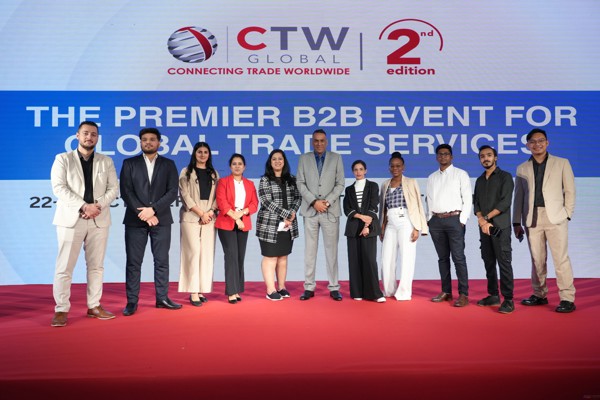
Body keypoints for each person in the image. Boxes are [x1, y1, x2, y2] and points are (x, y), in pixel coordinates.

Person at [50, 121, 119, 327]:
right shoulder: (63, 159)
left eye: (94, 134)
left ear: (97, 138)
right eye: (86, 133)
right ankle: (61, 309)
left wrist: (97, 206)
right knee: (64, 267)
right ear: (77, 136)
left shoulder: (106, 161)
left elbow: (113, 189)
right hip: (71, 220)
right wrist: (83, 206)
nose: (90, 137)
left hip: (99, 219)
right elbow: (59, 188)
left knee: (96, 266)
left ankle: (94, 306)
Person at [513, 128, 576, 313]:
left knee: (561, 259)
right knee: (537, 259)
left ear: (547, 142)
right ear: (527, 145)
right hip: (532, 218)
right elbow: (518, 197)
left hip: (556, 216)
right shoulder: (522, 168)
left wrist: (567, 213)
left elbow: (570, 190)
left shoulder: (562, 163)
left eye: (541, 140)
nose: (537, 144)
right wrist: (516, 222)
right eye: (533, 141)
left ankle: (567, 298)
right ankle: (539, 294)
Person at [120, 127, 181, 316]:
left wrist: (153, 210)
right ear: (140, 142)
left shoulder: (168, 164)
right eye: (144, 139)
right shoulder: (129, 163)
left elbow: (172, 191)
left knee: (161, 261)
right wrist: (144, 213)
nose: (148, 142)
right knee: (133, 263)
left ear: (159, 143)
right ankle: (132, 302)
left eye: (152, 139)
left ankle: (162, 298)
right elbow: (126, 191)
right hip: (135, 220)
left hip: (161, 220)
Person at [296, 129, 345, 301]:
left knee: (332, 251)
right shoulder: (304, 158)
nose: (319, 143)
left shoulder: (336, 158)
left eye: (322, 140)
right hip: (310, 211)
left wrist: (327, 202)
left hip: (330, 211)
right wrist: (314, 202)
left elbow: (340, 184)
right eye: (316, 140)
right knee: (310, 251)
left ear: (327, 142)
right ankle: (309, 287)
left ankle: (334, 287)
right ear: (312, 142)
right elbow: (300, 183)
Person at [426, 144, 472, 307]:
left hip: (454, 220)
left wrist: (462, 220)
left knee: (458, 258)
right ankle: (446, 291)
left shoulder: (461, 174)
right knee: (442, 258)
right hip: (436, 221)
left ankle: (463, 294)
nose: (443, 156)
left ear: (451, 157)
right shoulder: (432, 177)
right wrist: (429, 219)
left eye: (446, 154)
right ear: (436, 157)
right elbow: (429, 199)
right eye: (440, 154)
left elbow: (467, 198)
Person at [379, 152, 428, 301]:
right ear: (389, 167)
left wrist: (417, 228)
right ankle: (389, 290)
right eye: (392, 166)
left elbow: (418, 205)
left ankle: (404, 292)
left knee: (407, 258)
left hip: (406, 221)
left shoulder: (411, 182)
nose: (395, 168)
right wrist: (382, 226)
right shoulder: (385, 184)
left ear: (403, 167)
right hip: (390, 222)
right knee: (386, 258)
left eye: (398, 166)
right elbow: (383, 208)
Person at [473, 145, 515, 314]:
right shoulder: (479, 180)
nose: (486, 158)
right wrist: (482, 220)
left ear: (495, 157)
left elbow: (505, 202)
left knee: (504, 262)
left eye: (489, 155)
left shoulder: (505, 177)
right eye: (482, 156)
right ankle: (493, 295)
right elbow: (476, 203)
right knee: (488, 261)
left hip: (500, 227)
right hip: (484, 228)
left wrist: (486, 219)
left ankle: (508, 300)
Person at [256, 150, 302, 301]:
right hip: (269, 224)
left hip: (288, 225)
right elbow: (266, 201)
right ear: (270, 162)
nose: (277, 161)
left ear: (284, 161)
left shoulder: (292, 179)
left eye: (280, 159)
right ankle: (270, 289)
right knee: (270, 256)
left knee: (283, 256)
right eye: (274, 159)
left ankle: (281, 287)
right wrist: (286, 214)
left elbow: (298, 197)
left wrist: (292, 213)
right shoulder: (265, 180)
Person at [178, 142, 219, 307]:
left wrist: (210, 212)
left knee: (206, 254)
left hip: (209, 217)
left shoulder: (214, 173)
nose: (202, 155)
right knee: (193, 252)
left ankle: (202, 289)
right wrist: (201, 213)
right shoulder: (186, 172)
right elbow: (184, 195)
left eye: (205, 152)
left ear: (209, 155)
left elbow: (218, 196)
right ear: (194, 153)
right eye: (199, 152)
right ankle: (193, 291)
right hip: (191, 215)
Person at [215, 153, 258, 304]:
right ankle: (231, 291)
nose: (237, 166)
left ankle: (238, 289)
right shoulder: (223, 182)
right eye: (234, 164)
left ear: (244, 167)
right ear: (230, 166)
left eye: (240, 164)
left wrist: (243, 213)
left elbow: (254, 204)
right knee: (231, 256)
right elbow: (222, 202)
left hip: (243, 222)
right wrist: (236, 218)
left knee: (240, 257)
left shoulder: (250, 184)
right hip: (227, 222)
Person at [343, 160, 385, 302]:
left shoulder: (373, 186)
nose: (358, 172)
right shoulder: (349, 189)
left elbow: (374, 205)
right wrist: (361, 217)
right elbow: (347, 209)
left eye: (361, 169)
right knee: (354, 261)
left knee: (370, 260)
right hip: (353, 228)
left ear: (365, 170)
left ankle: (374, 294)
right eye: (356, 169)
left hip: (370, 228)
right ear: (353, 171)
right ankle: (357, 292)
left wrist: (367, 226)